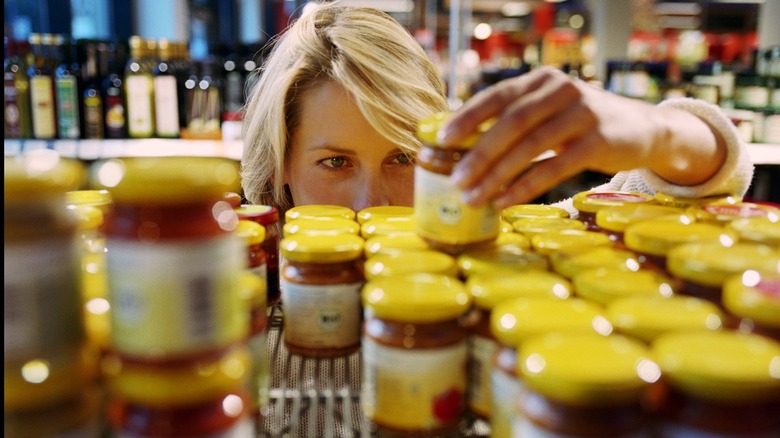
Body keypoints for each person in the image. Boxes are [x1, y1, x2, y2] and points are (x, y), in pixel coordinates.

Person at [240, 1, 754, 223]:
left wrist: (656, 130)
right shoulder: (227, 292)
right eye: (335, 162)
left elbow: (709, 177)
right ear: (282, 166)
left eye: (403, 158)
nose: (372, 204)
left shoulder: (493, 248)